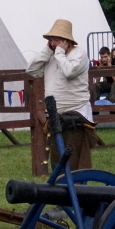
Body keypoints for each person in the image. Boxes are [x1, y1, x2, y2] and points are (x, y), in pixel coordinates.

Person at [26, 19, 97, 171]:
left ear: (67, 41)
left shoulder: (79, 54)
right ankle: (61, 187)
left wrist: (59, 53)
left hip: (75, 114)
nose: (53, 44)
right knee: (58, 157)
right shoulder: (51, 56)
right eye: (51, 41)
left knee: (75, 156)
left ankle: (78, 187)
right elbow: (31, 70)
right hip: (56, 114)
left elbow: (69, 71)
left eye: (56, 40)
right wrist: (47, 51)